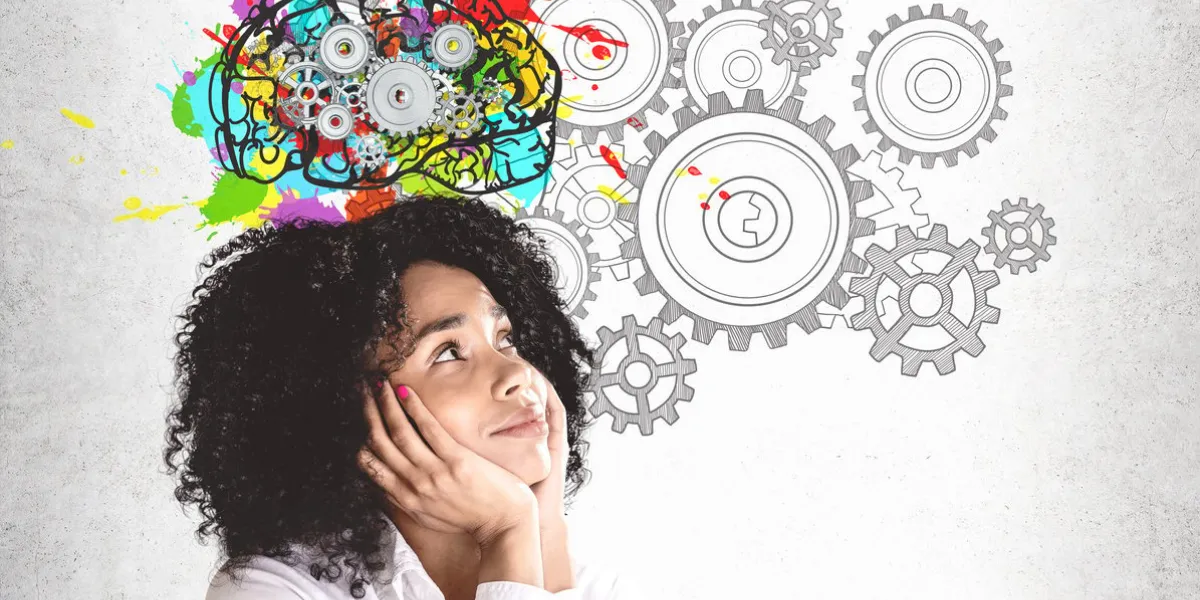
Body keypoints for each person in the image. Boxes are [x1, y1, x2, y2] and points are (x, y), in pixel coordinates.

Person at [164, 195, 636, 599]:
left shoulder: (594, 583)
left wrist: (543, 531)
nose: (516, 372)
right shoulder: (268, 589)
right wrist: (506, 535)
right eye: (449, 352)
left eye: (505, 338)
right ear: (348, 408)